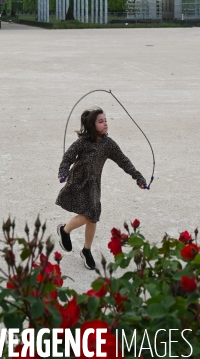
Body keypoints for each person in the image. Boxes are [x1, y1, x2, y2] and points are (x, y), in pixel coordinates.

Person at [55, 108, 147, 270]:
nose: (105, 123)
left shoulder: (108, 145)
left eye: (106, 120)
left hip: (94, 184)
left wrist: (137, 176)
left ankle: (86, 250)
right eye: (101, 121)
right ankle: (64, 230)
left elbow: (123, 161)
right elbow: (68, 156)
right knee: (86, 216)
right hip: (78, 181)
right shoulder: (83, 142)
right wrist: (63, 171)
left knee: (93, 216)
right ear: (92, 125)